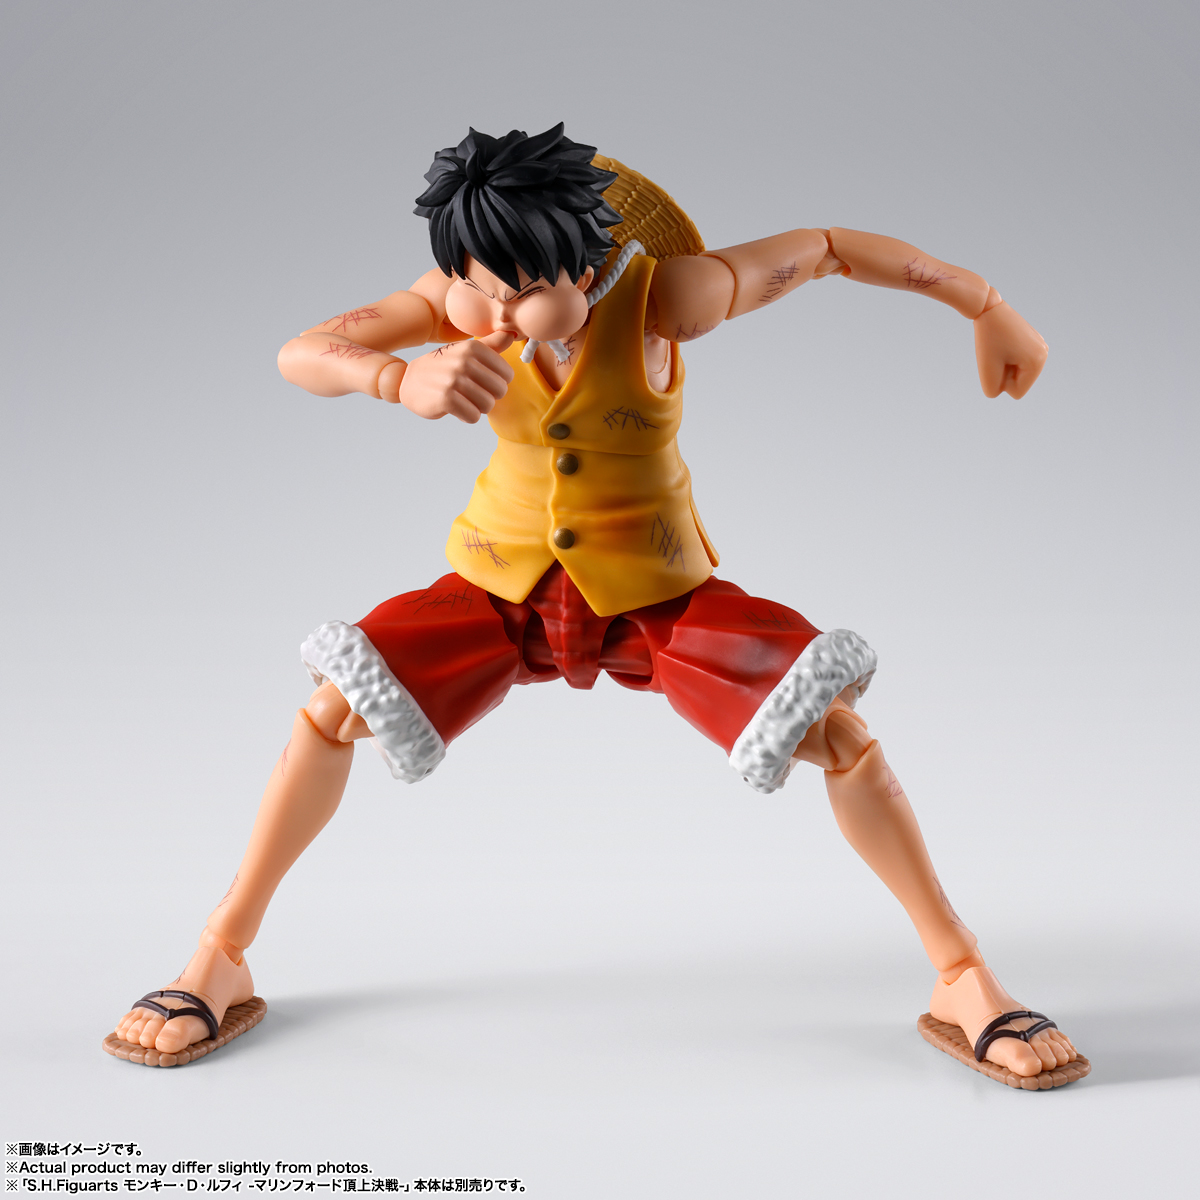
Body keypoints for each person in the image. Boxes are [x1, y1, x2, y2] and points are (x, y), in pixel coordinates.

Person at [110, 123, 1082, 1085]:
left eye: (522, 291)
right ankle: (220, 956)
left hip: (654, 594)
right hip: (498, 586)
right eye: (477, 288)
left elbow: (826, 249)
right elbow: (302, 350)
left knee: (839, 735)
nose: (493, 315)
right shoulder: (457, 297)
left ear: (588, 263)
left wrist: (983, 303)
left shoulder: (669, 299)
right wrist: (395, 377)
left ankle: (962, 975)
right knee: (330, 711)